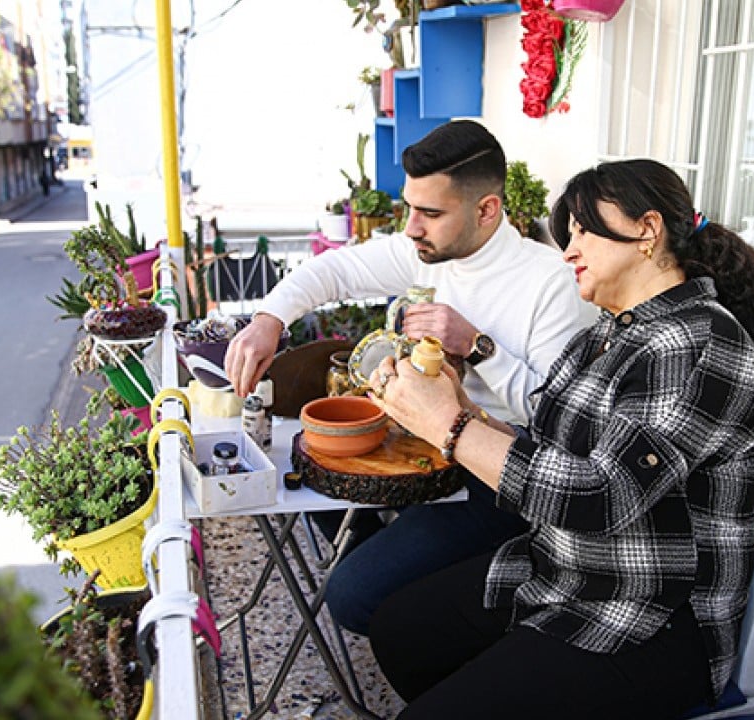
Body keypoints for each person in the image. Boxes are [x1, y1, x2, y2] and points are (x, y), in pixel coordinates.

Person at [364, 158, 754, 719]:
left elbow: (600, 496)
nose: (568, 250)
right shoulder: (602, 337)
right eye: (566, 234)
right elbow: (544, 450)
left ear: (647, 231)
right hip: (566, 572)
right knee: (401, 629)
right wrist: (460, 407)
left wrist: (448, 428)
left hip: (651, 619)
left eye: (584, 231)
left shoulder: (699, 343)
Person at [222, 120, 596, 634]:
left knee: (351, 597)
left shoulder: (551, 283)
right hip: (418, 444)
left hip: (496, 471)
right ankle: (393, 558)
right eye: (409, 207)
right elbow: (335, 271)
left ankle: (416, 599)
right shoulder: (428, 250)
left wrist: (477, 346)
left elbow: (559, 418)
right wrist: (267, 322)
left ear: (487, 210)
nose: (411, 226)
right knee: (306, 466)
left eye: (430, 213)